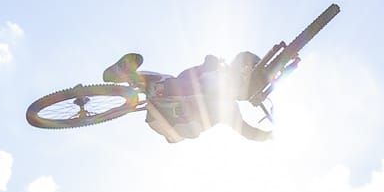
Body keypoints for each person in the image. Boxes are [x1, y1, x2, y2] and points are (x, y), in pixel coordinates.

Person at [107, 50, 272, 144]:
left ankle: (133, 77)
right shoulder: (216, 74)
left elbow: (247, 131)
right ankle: (128, 75)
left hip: (176, 126)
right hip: (168, 117)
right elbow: (247, 132)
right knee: (170, 80)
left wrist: (268, 136)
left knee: (174, 83)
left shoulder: (229, 108)